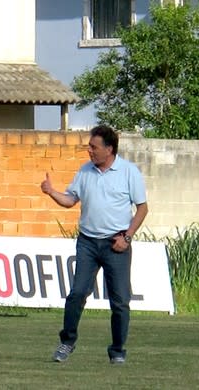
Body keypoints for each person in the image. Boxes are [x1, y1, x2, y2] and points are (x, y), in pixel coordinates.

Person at [40, 125, 148, 364]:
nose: (89, 151)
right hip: (87, 242)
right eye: (89, 146)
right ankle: (67, 342)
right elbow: (70, 200)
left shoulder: (129, 172)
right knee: (77, 293)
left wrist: (127, 237)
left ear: (109, 149)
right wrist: (51, 192)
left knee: (120, 301)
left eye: (93, 147)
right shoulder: (85, 171)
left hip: (116, 243)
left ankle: (117, 351)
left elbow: (142, 208)